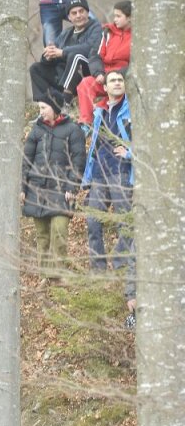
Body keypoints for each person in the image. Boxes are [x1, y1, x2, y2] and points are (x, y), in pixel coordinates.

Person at [81, 70, 134, 321]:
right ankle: (98, 267)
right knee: (93, 220)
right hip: (100, 173)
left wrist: (130, 154)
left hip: (121, 172)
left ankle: (121, 261)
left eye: (119, 80)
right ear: (107, 86)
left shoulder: (131, 110)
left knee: (126, 220)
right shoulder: (100, 112)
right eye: (112, 80)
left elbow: (142, 141)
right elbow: (92, 146)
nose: (116, 83)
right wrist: (87, 179)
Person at [21, 96, 87, 275]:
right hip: (37, 190)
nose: (41, 111)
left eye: (44, 107)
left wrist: (72, 187)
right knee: (42, 237)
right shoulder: (36, 130)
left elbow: (79, 161)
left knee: (59, 233)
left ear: (55, 107)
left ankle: (57, 275)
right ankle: (45, 276)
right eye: (40, 108)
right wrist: (23, 188)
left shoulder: (74, 130)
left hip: (61, 190)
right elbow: (26, 160)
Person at [28, 0, 102, 105]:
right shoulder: (66, 33)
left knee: (75, 56)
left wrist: (63, 52)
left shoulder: (96, 27)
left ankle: (65, 100)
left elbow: (89, 47)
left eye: (81, 11)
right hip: (63, 74)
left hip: (86, 71)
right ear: (69, 17)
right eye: (74, 13)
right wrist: (48, 56)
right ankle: (46, 104)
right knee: (36, 68)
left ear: (87, 13)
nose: (78, 15)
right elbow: (54, 53)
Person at [76, 0, 131, 125]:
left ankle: (105, 119)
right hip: (103, 75)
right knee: (85, 84)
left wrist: (114, 75)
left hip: (121, 78)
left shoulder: (137, 37)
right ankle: (85, 123)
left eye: (118, 16)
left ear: (129, 18)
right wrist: (98, 73)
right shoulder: (107, 32)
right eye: (114, 16)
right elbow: (95, 56)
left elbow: (135, 64)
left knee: (112, 94)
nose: (115, 19)